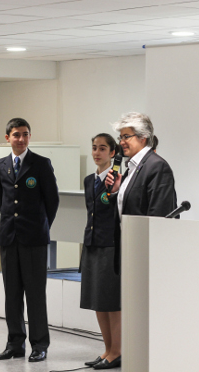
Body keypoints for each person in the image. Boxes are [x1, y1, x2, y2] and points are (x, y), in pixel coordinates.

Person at [103, 112, 178, 370]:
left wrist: (144, 252)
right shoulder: (132, 168)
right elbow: (130, 208)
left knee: (146, 315)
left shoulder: (157, 167)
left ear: (144, 138)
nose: (121, 142)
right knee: (134, 314)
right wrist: (115, 193)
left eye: (126, 137)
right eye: (120, 137)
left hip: (145, 256)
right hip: (130, 251)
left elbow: (157, 215)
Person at [0, 118, 59, 363]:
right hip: (9, 238)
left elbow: (52, 201)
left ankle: (40, 344)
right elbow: (2, 201)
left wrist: (39, 226)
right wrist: (15, 224)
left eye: (25, 134)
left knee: (35, 295)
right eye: (16, 135)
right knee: (11, 295)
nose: (21, 139)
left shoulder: (40, 164)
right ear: (7, 137)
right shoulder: (0, 166)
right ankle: (15, 343)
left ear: (30, 137)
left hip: (34, 240)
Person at [81, 134, 122, 370]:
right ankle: (107, 349)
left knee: (111, 302)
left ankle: (117, 351)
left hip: (110, 245)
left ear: (112, 153)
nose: (97, 153)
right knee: (97, 300)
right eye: (94, 148)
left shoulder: (119, 179)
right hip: (92, 243)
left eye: (103, 148)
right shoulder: (89, 180)